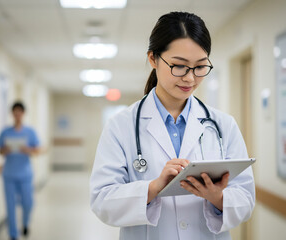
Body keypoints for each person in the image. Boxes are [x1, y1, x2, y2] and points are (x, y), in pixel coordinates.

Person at [90, 12, 255, 240]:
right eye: (179, 66)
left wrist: (218, 198)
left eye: (200, 67)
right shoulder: (121, 126)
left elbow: (246, 198)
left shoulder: (223, 125)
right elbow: (102, 200)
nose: (190, 78)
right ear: (153, 59)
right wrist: (153, 188)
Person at [0, 101, 40, 240]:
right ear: (12, 114)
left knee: (28, 202)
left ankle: (26, 223)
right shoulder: (5, 132)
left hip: (25, 173)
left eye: (19, 112)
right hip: (9, 174)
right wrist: (6, 149)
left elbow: (37, 150)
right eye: (15, 112)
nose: (17, 115)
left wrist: (28, 149)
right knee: (10, 206)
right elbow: (0, 151)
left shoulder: (30, 132)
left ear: (23, 113)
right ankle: (13, 234)